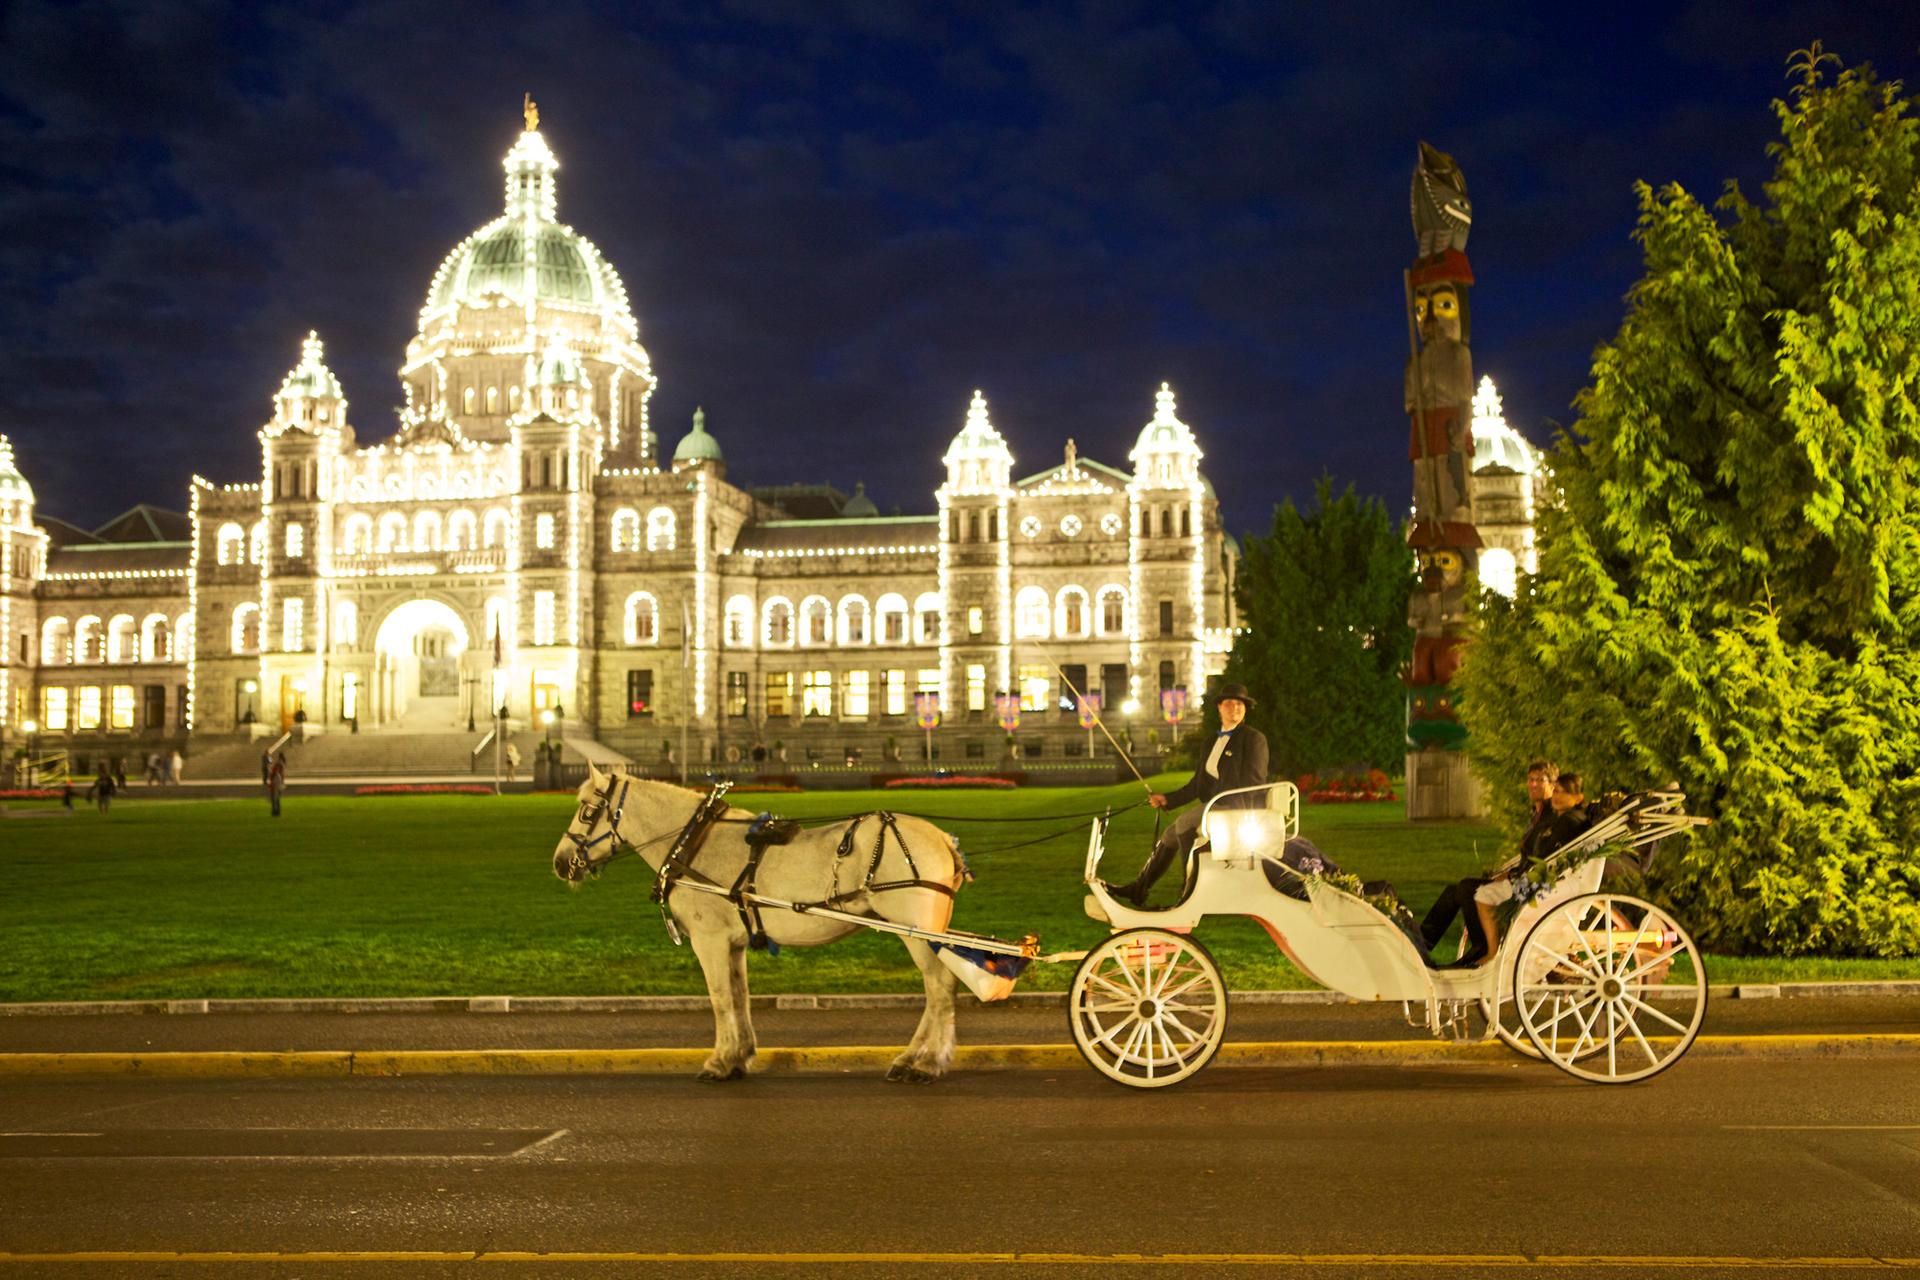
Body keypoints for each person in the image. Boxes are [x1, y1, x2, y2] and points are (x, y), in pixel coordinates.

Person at [1102, 683, 1270, 907]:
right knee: (1171, 834)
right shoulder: (1211, 741)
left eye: (1240, 704)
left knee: (1183, 824)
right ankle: (1139, 888)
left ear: (1245, 709)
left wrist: (1246, 816)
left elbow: (1255, 781)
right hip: (1214, 806)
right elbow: (1197, 784)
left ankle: (1190, 893)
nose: (1235, 708)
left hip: (1234, 807)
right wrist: (1168, 799)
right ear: (1219, 708)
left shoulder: (1253, 739)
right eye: (1229, 703)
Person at [1421, 758, 1557, 963]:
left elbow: (1541, 858)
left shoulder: (1551, 818)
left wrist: (1512, 875)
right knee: (1454, 890)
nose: (1533, 784)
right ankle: (1422, 943)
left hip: (1527, 883)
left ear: (1553, 785)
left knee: (1467, 888)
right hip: (1518, 877)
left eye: (1540, 780)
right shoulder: (1537, 814)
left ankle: (1482, 949)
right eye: (1530, 779)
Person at [1469, 771, 1592, 964]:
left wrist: (1517, 876)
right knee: (1479, 891)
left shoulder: (1569, 822)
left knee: (1482, 896)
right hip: (1533, 878)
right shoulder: (1560, 820)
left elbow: (1546, 857)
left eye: (1564, 793)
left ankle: (1493, 953)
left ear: (1578, 798)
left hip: (1544, 884)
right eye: (1556, 791)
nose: (1557, 797)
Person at [267, 753, 285, 818]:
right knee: (276, 800)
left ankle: (276, 812)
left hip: (275, 789)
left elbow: (274, 783)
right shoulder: (277, 775)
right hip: (275, 788)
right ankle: (276, 812)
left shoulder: (276, 776)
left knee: (275, 800)